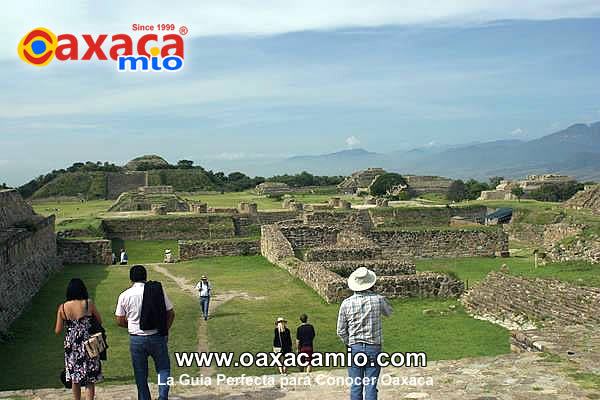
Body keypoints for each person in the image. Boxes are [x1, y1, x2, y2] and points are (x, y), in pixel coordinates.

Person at [115, 265, 175, 400]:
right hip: (157, 335)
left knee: (140, 374)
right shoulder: (156, 291)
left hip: (137, 338)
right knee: (163, 368)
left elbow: (119, 320)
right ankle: (162, 396)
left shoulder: (125, 295)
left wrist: (131, 325)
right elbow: (170, 313)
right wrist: (165, 330)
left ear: (131, 278)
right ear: (145, 277)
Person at [337, 267, 393, 400]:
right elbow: (389, 312)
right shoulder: (378, 300)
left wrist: (349, 342)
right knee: (371, 385)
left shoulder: (346, 303)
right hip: (374, 347)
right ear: (370, 284)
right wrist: (377, 294)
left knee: (356, 385)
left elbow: (340, 330)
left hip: (355, 347)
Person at [54, 278, 104, 400]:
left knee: (74, 377)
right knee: (90, 378)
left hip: (72, 345)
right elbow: (99, 321)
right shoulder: (88, 303)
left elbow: (58, 330)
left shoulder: (63, 308)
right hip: (88, 343)